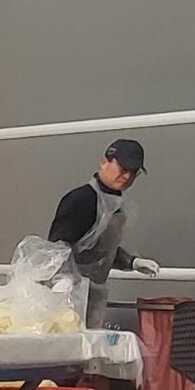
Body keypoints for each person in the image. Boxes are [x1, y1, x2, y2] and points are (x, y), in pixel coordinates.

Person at [47, 139, 159, 329]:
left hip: (93, 295)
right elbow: (56, 248)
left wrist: (132, 262)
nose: (127, 176)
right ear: (104, 162)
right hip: (64, 294)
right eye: (123, 169)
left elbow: (100, 249)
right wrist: (62, 280)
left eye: (133, 172)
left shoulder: (116, 208)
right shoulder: (82, 200)